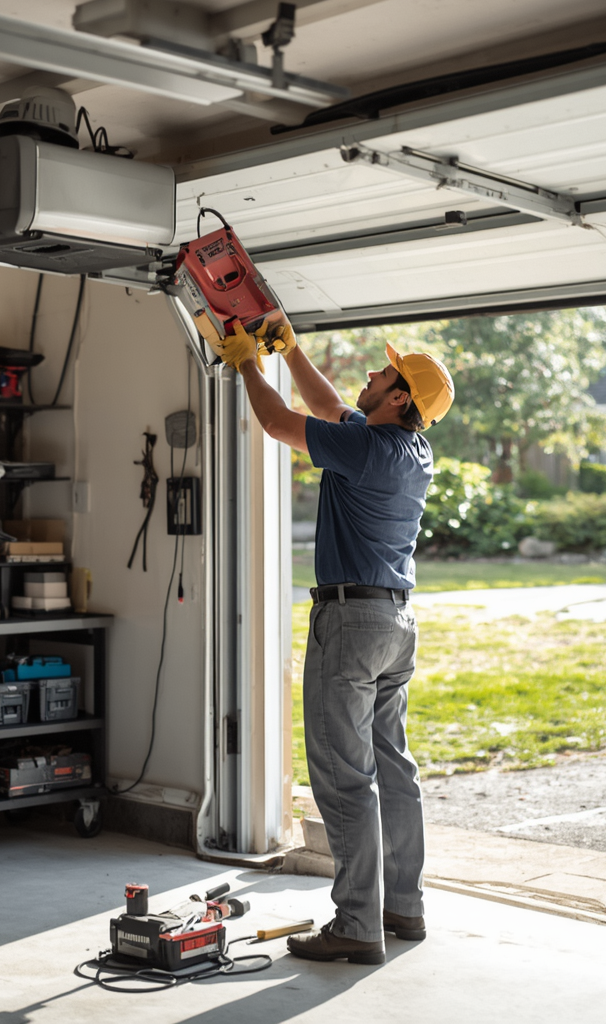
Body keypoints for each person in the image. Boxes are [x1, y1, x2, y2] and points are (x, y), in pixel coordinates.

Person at [218, 317, 454, 966]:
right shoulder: (407, 450)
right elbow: (328, 408)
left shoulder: (369, 451)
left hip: (350, 624)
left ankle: (355, 923)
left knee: (345, 777)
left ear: (400, 398)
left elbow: (279, 424)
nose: (372, 376)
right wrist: (288, 350)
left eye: (384, 374)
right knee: (394, 770)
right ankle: (403, 906)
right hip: (395, 624)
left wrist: (247, 365)